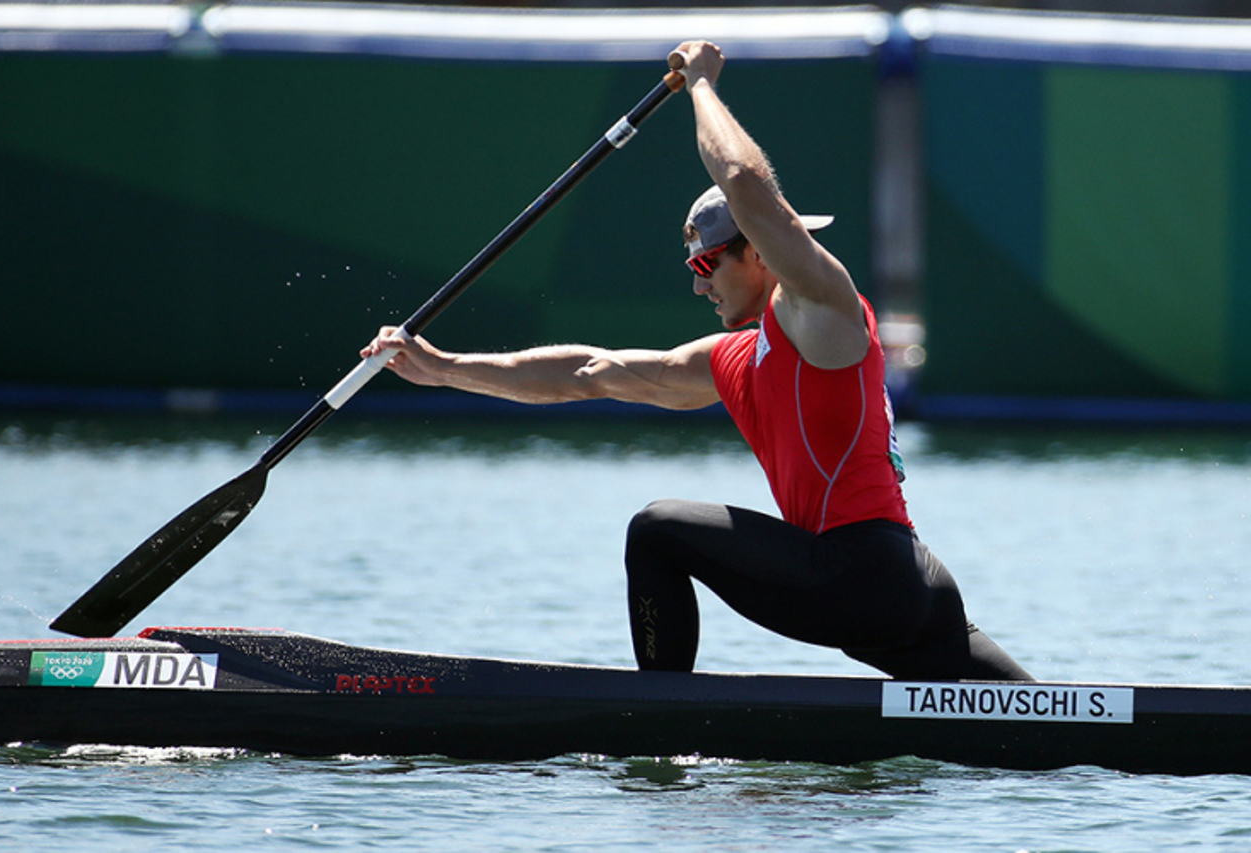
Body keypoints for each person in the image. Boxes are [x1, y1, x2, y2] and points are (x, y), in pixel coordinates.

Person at [362, 40, 1032, 682]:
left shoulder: (822, 309)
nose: (697, 283)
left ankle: (660, 713)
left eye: (708, 262)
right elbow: (588, 373)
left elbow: (743, 180)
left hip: (861, 574)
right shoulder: (733, 358)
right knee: (1065, 739)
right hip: (910, 587)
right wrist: (443, 366)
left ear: (761, 253)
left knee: (658, 532)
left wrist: (702, 84)